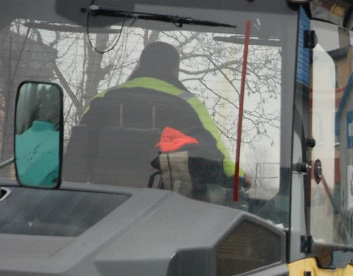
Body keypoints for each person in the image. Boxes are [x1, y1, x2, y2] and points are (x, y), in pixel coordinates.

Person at [67, 41, 245, 195]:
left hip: (101, 204)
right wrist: (240, 179)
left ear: (140, 66)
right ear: (175, 70)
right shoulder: (190, 105)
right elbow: (217, 156)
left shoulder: (102, 99)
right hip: (167, 210)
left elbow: (77, 152)